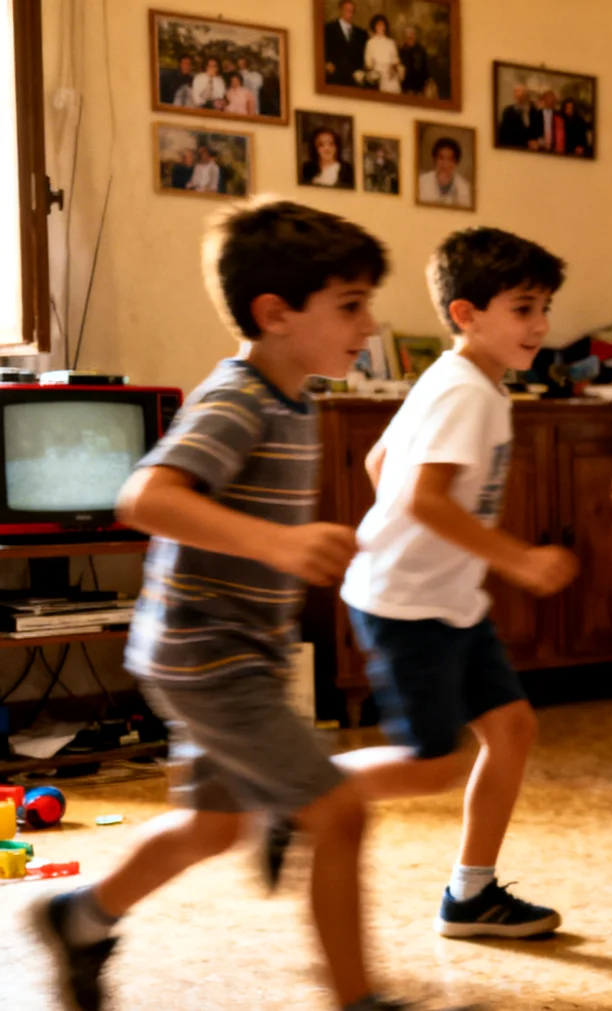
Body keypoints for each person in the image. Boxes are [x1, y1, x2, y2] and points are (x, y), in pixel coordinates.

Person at [26, 200, 423, 1011]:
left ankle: (78, 917)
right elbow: (145, 496)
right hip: (206, 655)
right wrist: (278, 543)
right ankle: (359, 1000)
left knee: (212, 826)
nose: (369, 324)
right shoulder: (238, 398)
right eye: (351, 305)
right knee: (340, 812)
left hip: (229, 652)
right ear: (275, 314)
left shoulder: (295, 398)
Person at [330, 227, 577, 940]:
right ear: (465, 313)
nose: (541, 325)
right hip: (408, 605)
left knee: (512, 728)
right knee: (430, 765)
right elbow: (423, 499)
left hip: (445, 600)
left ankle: (471, 895)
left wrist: (420, 545)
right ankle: (295, 792)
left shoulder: (457, 380)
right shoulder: (466, 393)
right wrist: (517, 559)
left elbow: (380, 464)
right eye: (524, 309)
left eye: (544, 308)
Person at [418, 137, 472, 209]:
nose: (445, 164)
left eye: (450, 159)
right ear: (435, 160)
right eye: (441, 158)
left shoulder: (464, 187)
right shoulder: (422, 182)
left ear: (456, 163)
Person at [324, 0, 368, 88]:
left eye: (352, 10)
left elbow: (363, 56)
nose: (350, 13)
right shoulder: (328, 28)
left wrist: (361, 72)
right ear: (340, 10)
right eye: (347, 10)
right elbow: (323, 49)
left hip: (354, 80)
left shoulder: (361, 34)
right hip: (334, 76)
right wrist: (326, 63)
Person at [363, 15, 401, 93]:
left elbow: (396, 60)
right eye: (378, 25)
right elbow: (368, 62)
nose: (380, 27)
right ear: (374, 27)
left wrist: (393, 68)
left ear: (385, 27)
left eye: (382, 25)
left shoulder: (391, 43)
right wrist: (372, 68)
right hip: (376, 76)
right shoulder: (370, 42)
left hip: (390, 75)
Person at [497, 84, 539, 149]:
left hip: (532, 151)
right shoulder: (508, 111)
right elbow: (504, 134)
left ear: (527, 95)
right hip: (513, 148)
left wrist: (537, 142)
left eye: (521, 93)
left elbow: (538, 131)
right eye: (516, 92)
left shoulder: (535, 112)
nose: (518, 95)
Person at [399, 24, 430, 96]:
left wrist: (427, 82)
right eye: (408, 34)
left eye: (411, 33)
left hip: (419, 87)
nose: (410, 36)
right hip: (406, 87)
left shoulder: (421, 50)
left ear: (415, 35)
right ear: (405, 36)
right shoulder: (401, 50)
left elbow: (426, 67)